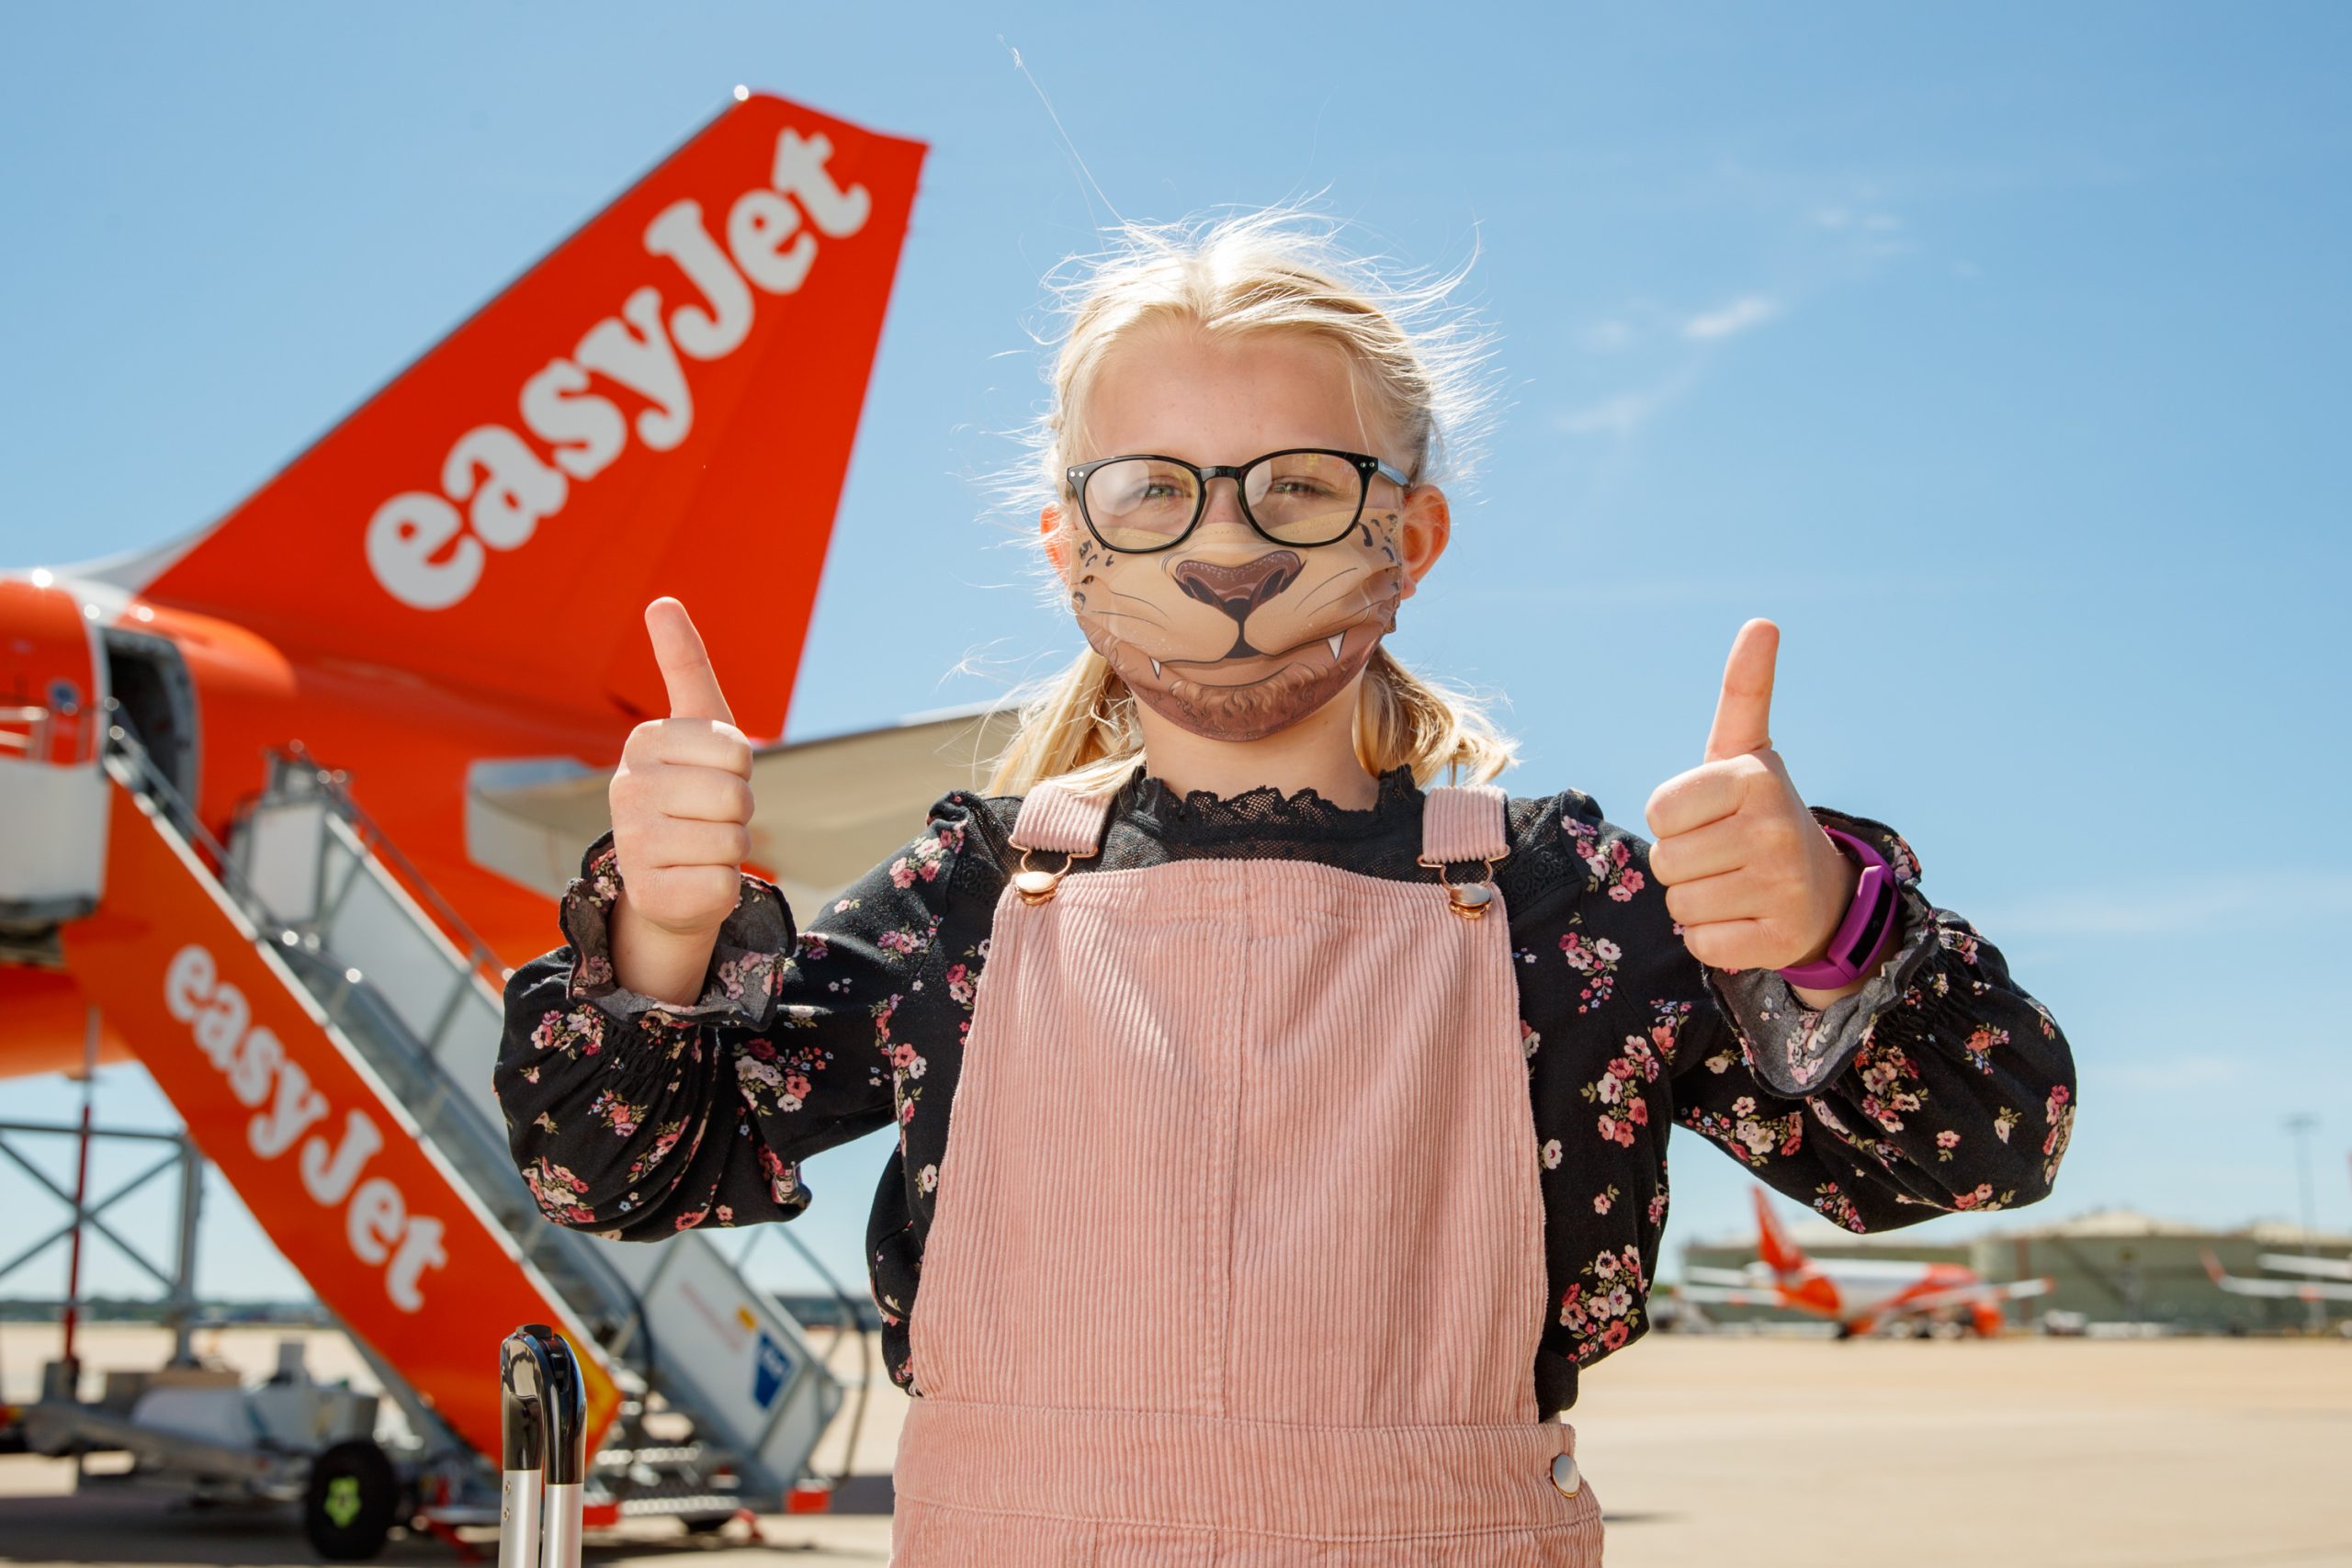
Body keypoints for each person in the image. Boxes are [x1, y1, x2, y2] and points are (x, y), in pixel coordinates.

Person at [493, 206, 2077, 1564]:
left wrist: (1825, 928)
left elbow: (1984, 1144)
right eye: (1153, 489)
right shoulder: (965, 904)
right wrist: (660, 937)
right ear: (1068, 545)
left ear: (1414, 533)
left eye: (1299, 489)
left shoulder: (1569, 910)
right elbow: (620, 1181)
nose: (1226, 551)